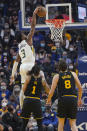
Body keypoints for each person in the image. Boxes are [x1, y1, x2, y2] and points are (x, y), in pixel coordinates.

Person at [10, 7, 42, 108]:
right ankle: (35, 106)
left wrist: (12, 75)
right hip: (30, 66)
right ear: (22, 37)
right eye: (23, 34)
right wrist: (34, 14)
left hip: (22, 67)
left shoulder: (19, 46)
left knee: (23, 88)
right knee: (36, 85)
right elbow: (33, 27)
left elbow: (16, 62)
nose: (25, 34)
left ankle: (22, 106)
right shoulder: (28, 40)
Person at [47, 59, 82, 131]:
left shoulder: (57, 76)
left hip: (63, 99)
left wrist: (48, 100)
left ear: (58, 68)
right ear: (67, 67)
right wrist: (79, 99)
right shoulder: (73, 74)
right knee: (73, 123)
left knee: (61, 122)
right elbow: (80, 88)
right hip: (73, 99)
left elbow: (51, 91)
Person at [20, 64, 50, 131]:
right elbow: (48, 91)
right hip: (36, 101)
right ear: (39, 71)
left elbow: (23, 89)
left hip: (27, 100)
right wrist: (44, 78)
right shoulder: (42, 79)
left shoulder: (28, 77)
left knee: (24, 123)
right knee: (39, 124)